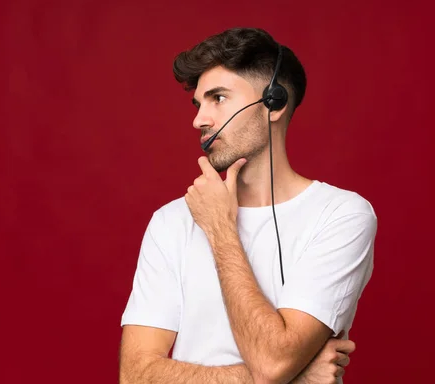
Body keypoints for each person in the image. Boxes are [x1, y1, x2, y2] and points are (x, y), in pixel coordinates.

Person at [118, 27, 377, 384]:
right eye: (198, 103)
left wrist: (220, 229)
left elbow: (272, 363)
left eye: (218, 98)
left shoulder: (341, 215)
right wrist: (297, 377)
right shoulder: (171, 222)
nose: (199, 120)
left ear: (274, 102)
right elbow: (135, 376)